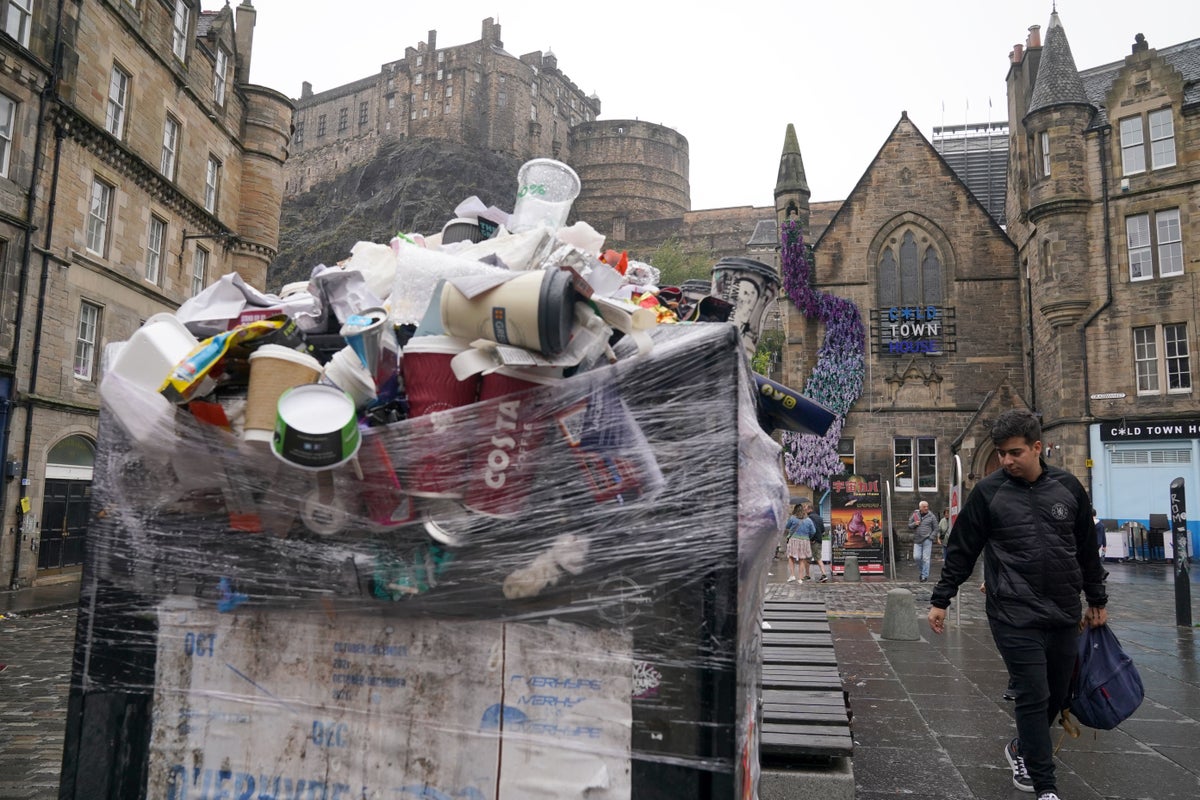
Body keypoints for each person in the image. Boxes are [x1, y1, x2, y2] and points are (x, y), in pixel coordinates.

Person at [928, 409, 1107, 800]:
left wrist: (1097, 599)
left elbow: (1086, 550)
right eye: (1001, 453)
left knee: (1058, 694)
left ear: (1037, 447)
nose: (1005, 460)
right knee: (1032, 692)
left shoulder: (1068, 488)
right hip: (1012, 611)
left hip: (1062, 610)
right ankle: (1045, 785)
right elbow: (961, 550)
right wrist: (942, 599)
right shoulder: (988, 493)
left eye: (1014, 453)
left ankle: (1022, 747)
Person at [907, 500, 938, 582]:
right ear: (920, 507)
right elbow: (909, 525)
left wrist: (931, 537)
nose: (926, 508)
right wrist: (914, 524)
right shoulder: (915, 515)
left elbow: (936, 528)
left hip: (927, 540)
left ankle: (924, 576)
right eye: (924, 507)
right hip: (917, 540)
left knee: (926, 559)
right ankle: (922, 572)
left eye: (927, 506)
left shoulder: (931, 516)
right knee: (916, 557)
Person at [785, 503, 815, 582]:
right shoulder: (808, 520)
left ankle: (792, 575)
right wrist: (808, 536)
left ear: (795, 510)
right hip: (804, 541)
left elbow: (787, 526)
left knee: (791, 557)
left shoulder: (792, 518)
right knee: (802, 559)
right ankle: (800, 578)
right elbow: (813, 531)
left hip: (794, 539)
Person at [807, 503, 831, 583]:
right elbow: (823, 530)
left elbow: (812, 529)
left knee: (813, 558)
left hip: (813, 541)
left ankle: (823, 575)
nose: (805, 510)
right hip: (819, 540)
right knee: (814, 558)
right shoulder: (820, 518)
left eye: (806, 509)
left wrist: (812, 539)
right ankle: (809, 575)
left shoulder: (810, 518)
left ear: (810, 509)